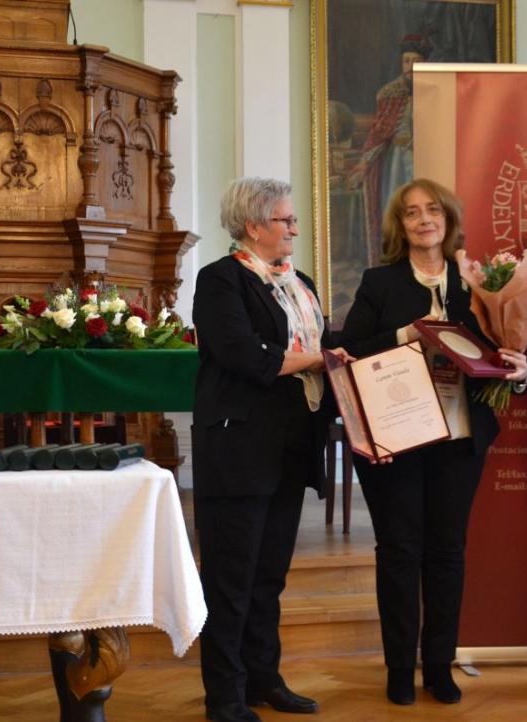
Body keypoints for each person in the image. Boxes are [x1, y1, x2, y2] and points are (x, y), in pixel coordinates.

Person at [340, 178, 527, 706]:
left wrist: (518, 372)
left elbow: (502, 354)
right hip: (397, 436)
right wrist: (406, 334)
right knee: (400, 552)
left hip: (459, 437)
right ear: (400, 226)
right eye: (411, 212)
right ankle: (400, 668)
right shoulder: (380, 282)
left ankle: (439, 665)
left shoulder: (479, 283)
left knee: (447, 552)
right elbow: (349, 348)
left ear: (447, 219)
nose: (424, 219)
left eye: (433, 210)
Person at [192, 177, 350, 722]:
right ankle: (225, 696)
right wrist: (318, 360)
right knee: (231, 580)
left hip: (292, 444)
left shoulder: (300, 282)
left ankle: (264, 678)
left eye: (292, 219)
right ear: (253, 225)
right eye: (285, 220)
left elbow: (323, 344)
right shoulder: (220, 280)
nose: (294, 229)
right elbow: (243, 354)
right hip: (239, 449)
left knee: (269, 576)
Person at [348, 35, 430, 268]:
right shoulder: (390, 93)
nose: (410, 66)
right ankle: (396, 261)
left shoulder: (436, 90)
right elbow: (379, 133)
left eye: (416, 61)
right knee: (396, 211)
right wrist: (364, 163)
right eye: (406, 61)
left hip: (427, 161)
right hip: (397, 163)